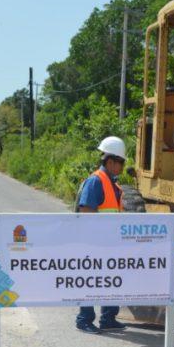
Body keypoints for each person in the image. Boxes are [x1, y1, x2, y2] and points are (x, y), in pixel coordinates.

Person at [75, 136, 128, 334]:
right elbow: (86, 211)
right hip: (94, 242)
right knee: (91, 280)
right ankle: (84, 319)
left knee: (111, 279)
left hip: (110, 242)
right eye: (121, 163)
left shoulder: (113, 183)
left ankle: (108, 319)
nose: (122, 167)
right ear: (111, 161)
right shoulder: (96, 181)